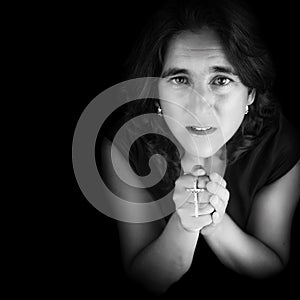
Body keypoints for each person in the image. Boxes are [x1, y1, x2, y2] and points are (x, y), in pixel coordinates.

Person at [97, 0, 300, 297]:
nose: (198, 105)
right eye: (180, 79)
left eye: (220, 80)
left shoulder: (279, 145)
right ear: (157, 93)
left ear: (250, 93)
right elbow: (144, 280)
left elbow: (271, 265)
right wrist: (185, 225)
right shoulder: (123, 146)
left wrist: (216, 225)